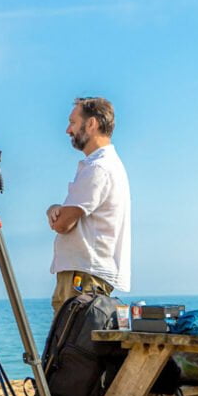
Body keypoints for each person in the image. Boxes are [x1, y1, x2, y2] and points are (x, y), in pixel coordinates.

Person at [47, 96, 132, 314]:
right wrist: (56, 208)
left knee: (69, 344)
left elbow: (62, 224)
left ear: (91, 124)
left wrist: (53, 212)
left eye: (73, 122)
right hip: (85, 271)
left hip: (84, 274)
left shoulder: (98, 168)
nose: (68, 130)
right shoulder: (103, 165)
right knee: (68, 342)